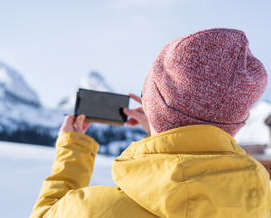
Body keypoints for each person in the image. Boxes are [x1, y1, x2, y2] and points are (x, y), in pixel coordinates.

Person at [30, 28, 271, 217]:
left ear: (153, 104)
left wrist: (72, 149)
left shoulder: (97, 211)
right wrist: (165, 133)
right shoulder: (260, 200)